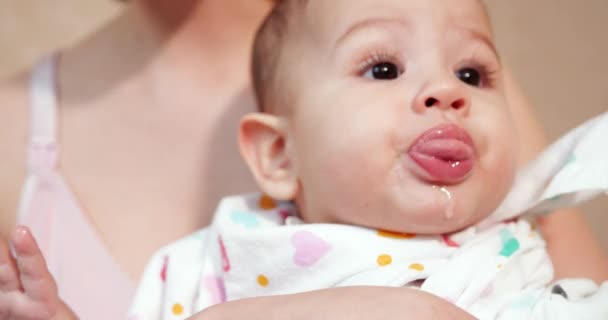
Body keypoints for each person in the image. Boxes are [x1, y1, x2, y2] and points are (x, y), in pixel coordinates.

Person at [0, 0, 606, 319]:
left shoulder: (507, 239)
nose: (447, 92)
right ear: (279, 152)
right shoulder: (215, 259)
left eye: (473, 73)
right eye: (383, 70)